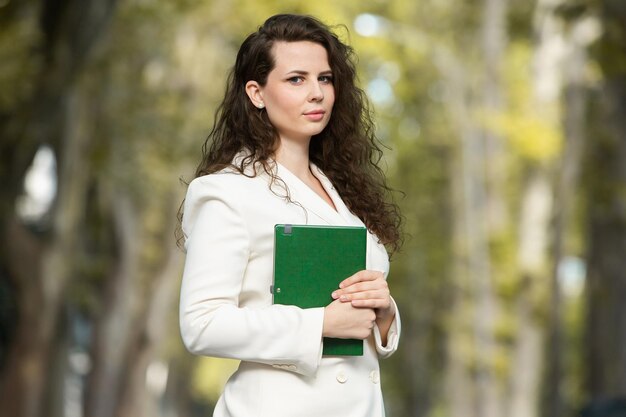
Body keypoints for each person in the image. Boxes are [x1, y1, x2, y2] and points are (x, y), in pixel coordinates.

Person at [179, 13, 402, 417]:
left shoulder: (343, 192)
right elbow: (201, 323)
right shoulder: (228, 191)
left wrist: (384, 314)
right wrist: (319, 324)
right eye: (296, 79)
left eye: (325, 78)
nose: (316, 93)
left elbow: (360, 320)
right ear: (256, 93)